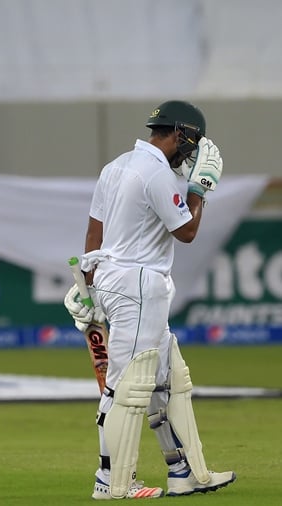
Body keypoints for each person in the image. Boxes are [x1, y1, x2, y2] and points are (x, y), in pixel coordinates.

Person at [64, 100, 236, 500]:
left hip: (115, 278)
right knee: (127, 387)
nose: (191, 155)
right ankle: (112, 482)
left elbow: (94, 236)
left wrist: (89, 289)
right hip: (140, 285)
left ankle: (186, 472)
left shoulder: (116, 165)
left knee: (168, 380)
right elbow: (187, 232)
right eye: (191, 144)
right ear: (180, 135)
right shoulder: (155, 173)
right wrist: (200, 189)